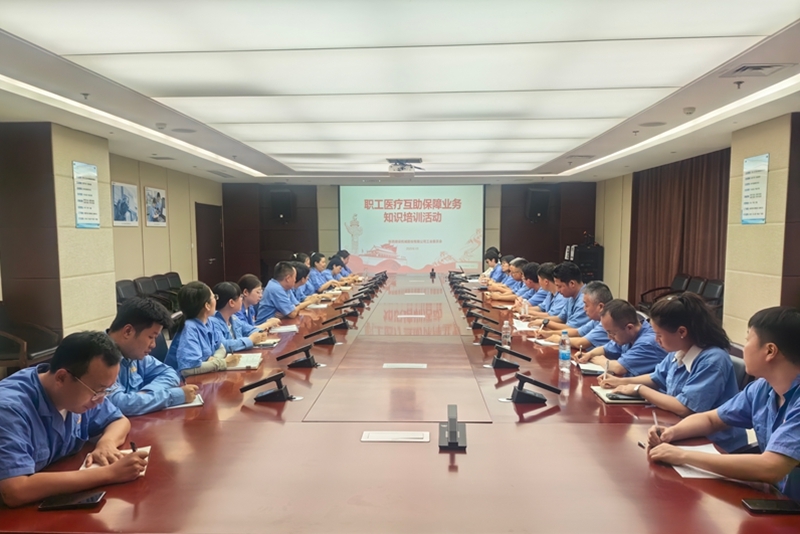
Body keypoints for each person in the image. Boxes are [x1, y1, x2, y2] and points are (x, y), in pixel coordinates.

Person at [647, 307, 800, 499]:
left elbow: (771, 467)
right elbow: (712, 419)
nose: (744, 348)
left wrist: (682, 456)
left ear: (770, 351)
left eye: (747, 340)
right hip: (775, 497)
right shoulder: (762, 388)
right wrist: (671, 433)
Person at [0, 332, 148, 508]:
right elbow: (15, 490)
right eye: (97, 390)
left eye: (106, 391)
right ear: (61, 377)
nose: (100, 400)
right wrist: (110, 473)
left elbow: (119, 420)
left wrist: (106, 444)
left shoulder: (77, 393)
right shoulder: (10, 409)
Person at [598, 293, 747, 452]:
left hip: (714, 444)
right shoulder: (679, 350)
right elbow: (656, 377)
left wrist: (639, 389)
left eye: (659, 335)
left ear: (682, 332)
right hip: (679, 429)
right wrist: (621, 382)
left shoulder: (712, 360)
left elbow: (686, 408)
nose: (656, 340)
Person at [106, 298, 198, 416]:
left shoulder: (133, 354)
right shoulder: (99, 357)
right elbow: (119, 405)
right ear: (128, 332)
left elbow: (170, 373)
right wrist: (173, 396)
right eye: (151, 337)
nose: (153, 345)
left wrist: (145, 395)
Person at [164, 282, 239, 376]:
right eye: (214, 297)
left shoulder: (209, 322)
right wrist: (223, 363)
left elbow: (221, 348)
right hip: (182, 381)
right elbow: (188, 369)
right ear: (207, 305)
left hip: (203, 376)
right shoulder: (189, 328)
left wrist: (214, 360)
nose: (216, 300)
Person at [577, 299, 668, 376]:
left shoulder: (648, 342)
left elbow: (619, 368)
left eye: (612, 333)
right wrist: (589, 354)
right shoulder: (628, 335)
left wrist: (600, 360)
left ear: (629, 328)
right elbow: (606, 349)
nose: (609, 337)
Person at [541, 281, 611, 349]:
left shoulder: (607, 323)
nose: (584, 309)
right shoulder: (596, 320)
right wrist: (549, 333)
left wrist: (559, 339)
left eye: (586, 305)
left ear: (600, 307)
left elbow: (581, 343)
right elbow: (577, 332)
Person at [210, 282, 269, 353]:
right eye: (240, 297)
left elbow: (250, 329)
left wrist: (259, 334)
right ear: (231, 302)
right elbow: (223, 345)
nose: (242, 299)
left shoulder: (233, 318)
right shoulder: (213, 322)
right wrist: (250, 340)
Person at [531, 261, 590, 331]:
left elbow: (573, 328)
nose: (558, 290)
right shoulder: (571, 296)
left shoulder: (584, 300)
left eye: (559, 286)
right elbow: (560, 318)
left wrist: (545, 323)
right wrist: (537, 318)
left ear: (572, 284)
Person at [257, 261, 322, 320]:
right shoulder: (275, 288)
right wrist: (310, 301)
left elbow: (296, 305)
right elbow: (292, 313)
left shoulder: (286, 287)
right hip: (266, 326)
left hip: (280, 322)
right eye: (294, 277)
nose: (295, 280)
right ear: (288, 278)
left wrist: (288, 312)